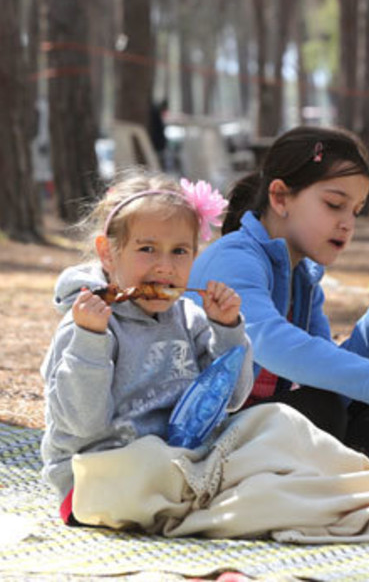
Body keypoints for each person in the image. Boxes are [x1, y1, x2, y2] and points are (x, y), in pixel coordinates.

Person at [188, 126, 369, 468]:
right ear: (280, 197)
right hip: (210, 431)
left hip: (262, 428)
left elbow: (327, 372)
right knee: (322, 409)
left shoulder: (302, 275)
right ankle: (342, 467)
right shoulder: (234, 258)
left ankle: (342, 467)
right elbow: (272, 344)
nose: (347, 223)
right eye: (334, 204)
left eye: (354, 210)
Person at [39, 170, 253, 523]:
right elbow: (82, 424)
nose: (165, 267)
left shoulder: (189, 317)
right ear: (109, 253)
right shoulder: (86, 324)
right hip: (99, 476)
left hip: (179, 463)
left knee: (271, 421)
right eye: (147, 249)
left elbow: (231, 400)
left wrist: (227, 329)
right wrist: (90, 340)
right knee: (153, 458)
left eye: (180, 251)